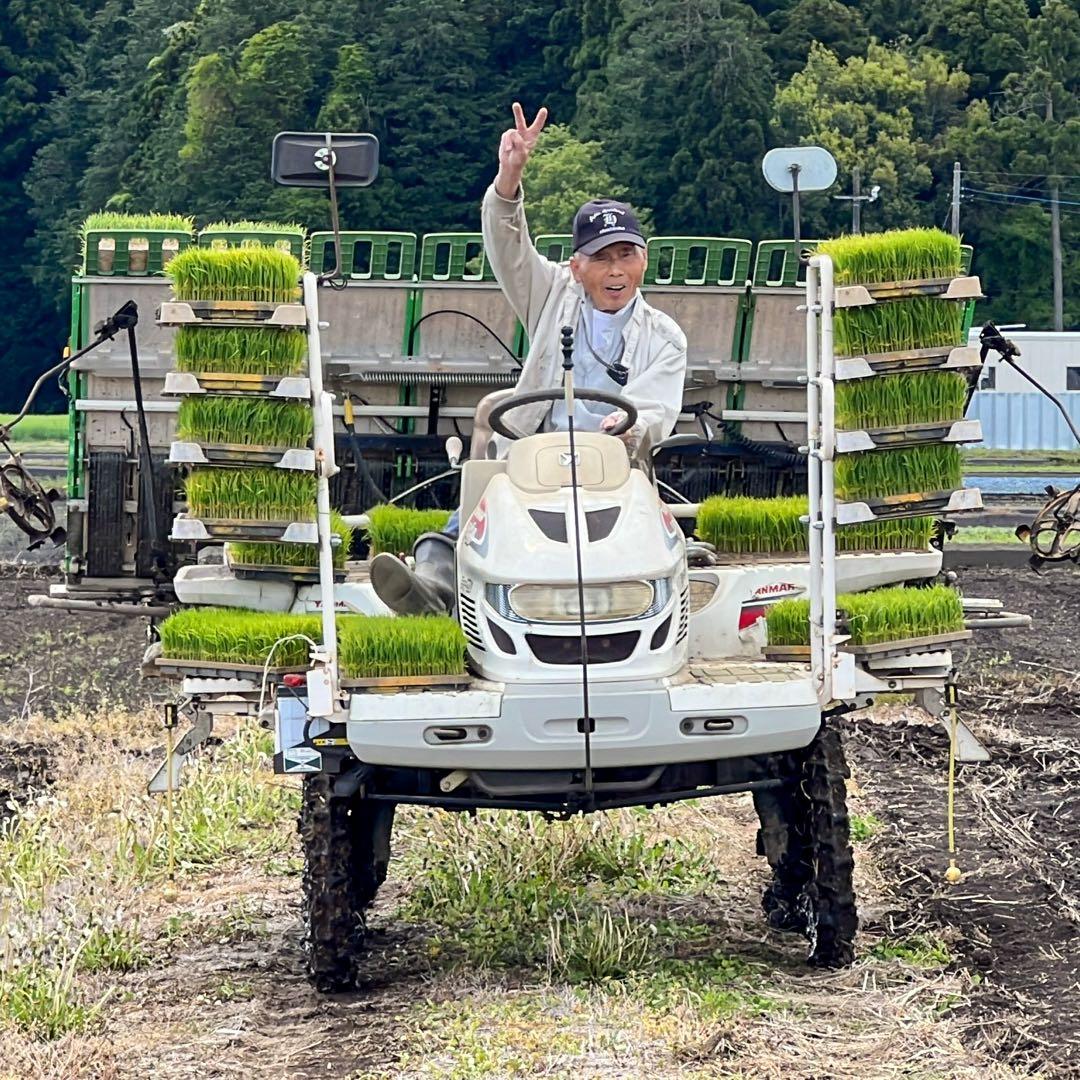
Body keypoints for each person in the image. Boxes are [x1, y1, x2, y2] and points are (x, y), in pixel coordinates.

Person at [370, 102, 688, 616]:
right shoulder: (551, 294)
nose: (615, 271)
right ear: (576, 265)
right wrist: (509, 177)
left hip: (612, 464)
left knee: (637, 526)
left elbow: (656, 410)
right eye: (602, 258)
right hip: (532, 452)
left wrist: (631, 425)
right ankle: (436, 579)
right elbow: (508, 246)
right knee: (483, 500)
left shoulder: (665, 337)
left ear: (644, 259)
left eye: (626, 254)